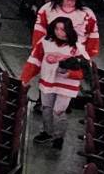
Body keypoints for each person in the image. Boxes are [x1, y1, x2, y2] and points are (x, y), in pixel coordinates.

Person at [22, 15, 90, 152]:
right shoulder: (45, 42)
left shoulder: (77, 48)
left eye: (63, 30)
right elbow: (34, 61)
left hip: (67, 86)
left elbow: (86, 70)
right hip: (47, 82)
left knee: (58, 111)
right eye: (57, 28)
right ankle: (47, 132)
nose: (59, 32)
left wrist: (71, 74)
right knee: (46, 109)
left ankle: (59, 137)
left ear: (69, 31)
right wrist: (25, 78)